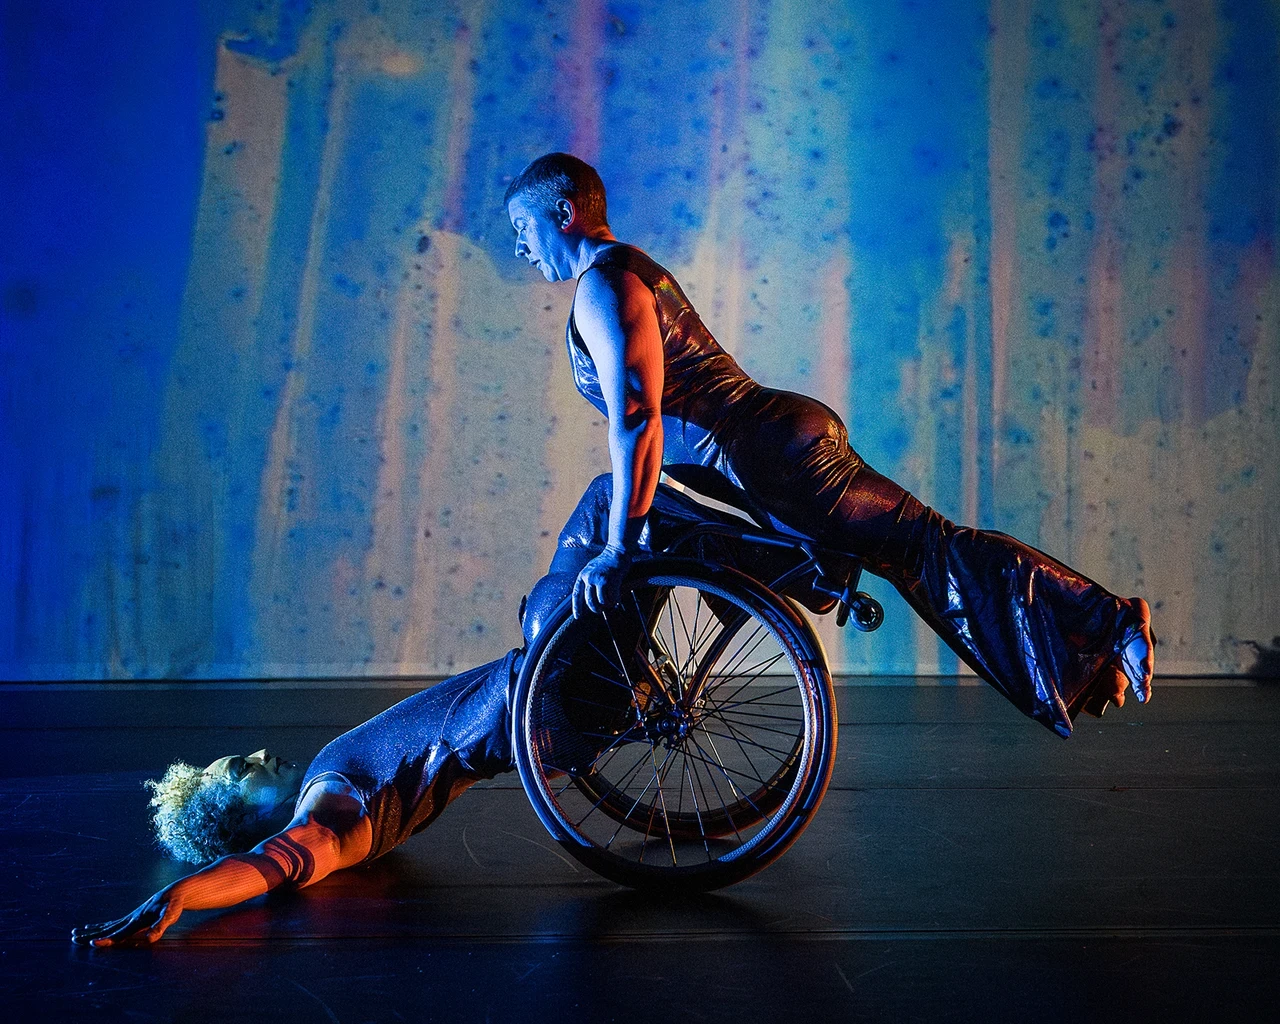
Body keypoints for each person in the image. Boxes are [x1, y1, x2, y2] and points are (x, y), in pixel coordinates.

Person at [505, 152, 1155, 739]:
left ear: (563, 213)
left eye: (524, 230)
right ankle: (1091, 652)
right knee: (918, 552)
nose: (520, 249)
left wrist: (619, 548)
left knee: (925, 548)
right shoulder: (627, 275)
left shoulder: (604, 286)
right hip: (768, 451)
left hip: (769, 455)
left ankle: (1110, 621)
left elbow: (637, 421)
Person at [70, 478, 815, 948]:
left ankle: (770, 563)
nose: (260, 755)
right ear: (241, 817)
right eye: (245, 771)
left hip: (553, 695)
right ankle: (796, 562)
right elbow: (280, 866)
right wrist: (178, 898)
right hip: (551, 695)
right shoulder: (330, 816)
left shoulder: (335, 791)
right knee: (601, 518)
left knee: (625, 518)